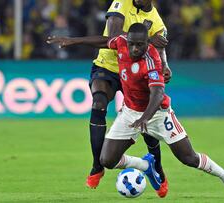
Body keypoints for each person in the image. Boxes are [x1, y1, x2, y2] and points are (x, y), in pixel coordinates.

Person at [49, 23, 224, 198]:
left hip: (158, 114)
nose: (135, 49)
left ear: (147, 43)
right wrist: (73, 41)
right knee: (107, 160)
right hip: (130, 112)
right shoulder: (121, 43)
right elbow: (103, 41)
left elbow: (157, 93)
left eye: (140, 45)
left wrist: (145, 118)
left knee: (188, 158)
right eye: (132, 44)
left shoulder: (151, 60)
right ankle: (146, 166)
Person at [47, 0, 171, 196]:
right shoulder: (121, 2)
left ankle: (157, 168)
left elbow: (161, 48)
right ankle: (97, 165)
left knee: (147, 125)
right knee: (98, 104)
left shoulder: (157, 22)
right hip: (108, 65)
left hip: (136, 73)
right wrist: (73, 40)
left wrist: (164, 65)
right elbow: (112, 36)